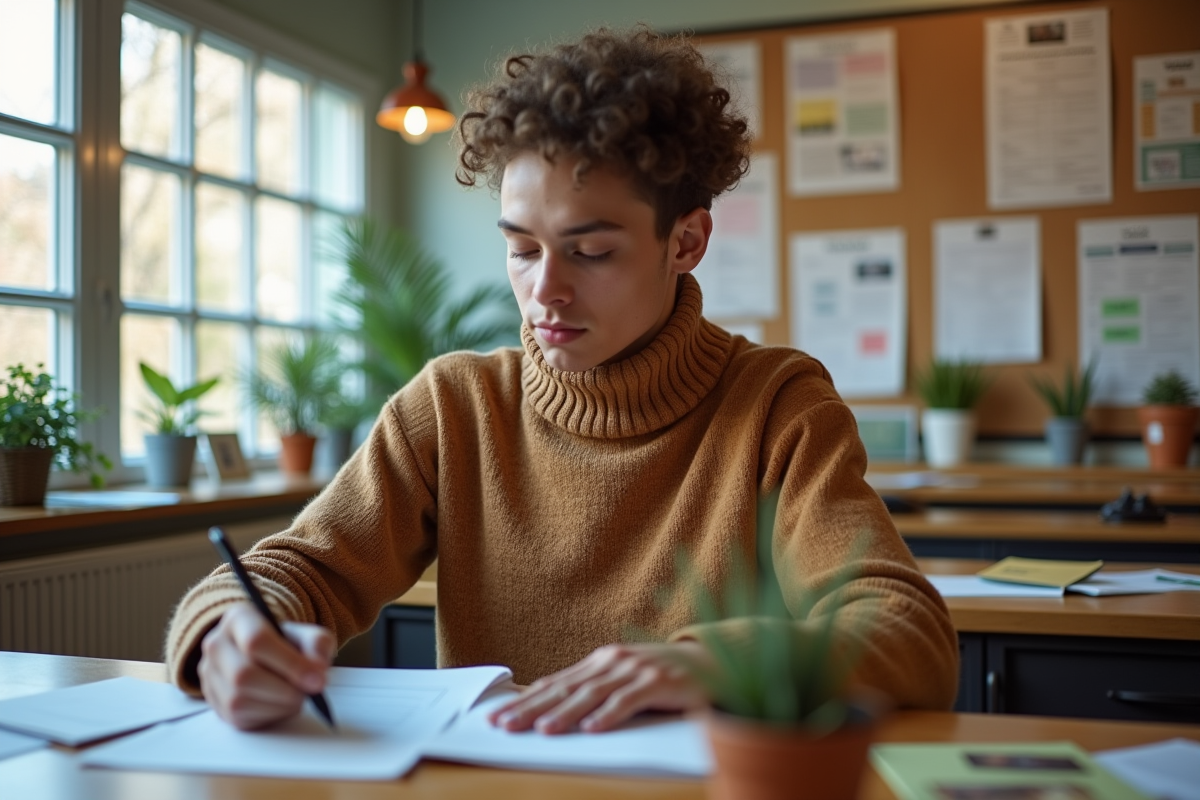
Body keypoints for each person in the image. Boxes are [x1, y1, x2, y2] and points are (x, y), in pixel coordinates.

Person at [166, 26, 958, 733]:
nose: (545, 289)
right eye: (521, 248)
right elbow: (302, 569)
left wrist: (710, 662)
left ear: (686, 242)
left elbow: (906, 632)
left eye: (591, 251)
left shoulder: (778, 406)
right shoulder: (453, 406)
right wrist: (232, 634)